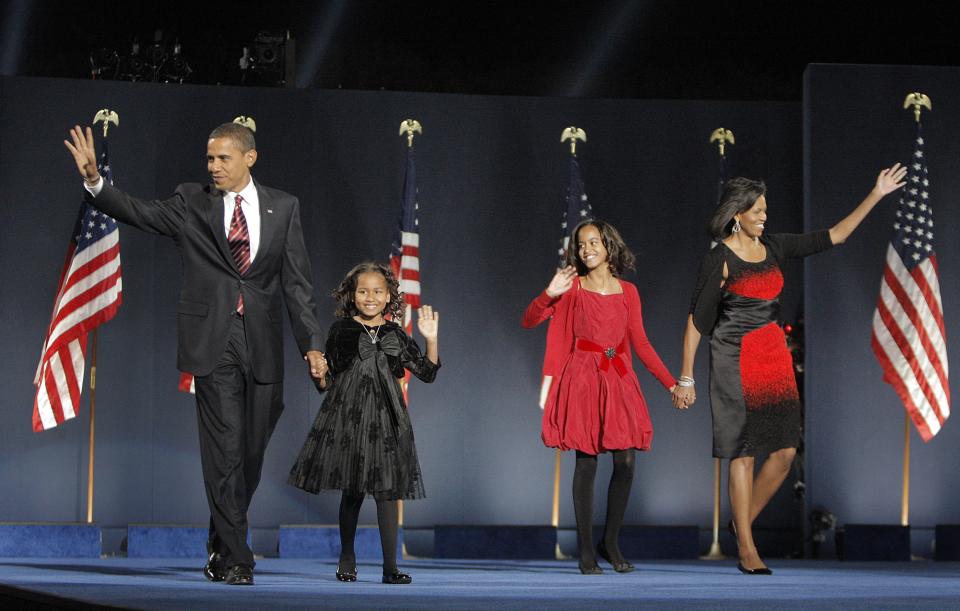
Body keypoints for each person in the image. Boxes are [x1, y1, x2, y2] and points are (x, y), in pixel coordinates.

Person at [64, 123, 328, 586]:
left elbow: (297, 286)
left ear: (250, 157)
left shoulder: (284, 207)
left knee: (249, 458)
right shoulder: (192, 201)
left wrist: (311, 344)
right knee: (223, 451)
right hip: (213, 344)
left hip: (263, 347)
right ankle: (239, 559)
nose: (213, 167)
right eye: (209, 159)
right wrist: (95, 183)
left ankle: (219, 546)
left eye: (223, 158)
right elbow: (137, 211)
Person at [672, 165, 907, 574]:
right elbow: (696, 321)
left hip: (773, 357)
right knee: (742, 454)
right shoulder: (719, 259)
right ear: (737, 214)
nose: (764, 217)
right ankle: (747, 548)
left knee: (783, 453)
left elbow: (836, 236)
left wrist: (877, 193)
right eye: (757, 211)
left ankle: (741, 523)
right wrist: (686, 377)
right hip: (733, 358)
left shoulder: (776, 246)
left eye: (766, 210)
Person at [522, 220, 676, 574]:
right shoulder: (571, 288)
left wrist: (671, 384)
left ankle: (611, 541)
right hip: (582, 379)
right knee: (587, 461)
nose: (586, 248)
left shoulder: (629, 292)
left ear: (609, 246)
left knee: (625, 462)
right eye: (580, 244)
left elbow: (642, 344)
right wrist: (549, 292)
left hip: (618, 378)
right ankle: (587, 551)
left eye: (593, 242)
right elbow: (529, 320)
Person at [288, 262, 439, 585]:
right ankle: (347, 558)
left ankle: (390, 567)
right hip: (350, 419)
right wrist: (317, 373)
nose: (370, 297)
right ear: (352, 296)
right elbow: (327, 382)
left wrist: (431, 340)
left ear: (388, 297)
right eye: (363, 291)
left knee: (388, 493)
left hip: (387, 422)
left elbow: (427, 373)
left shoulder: (396, 334)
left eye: (377, 291)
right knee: (353, 490)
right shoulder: (341, 331)